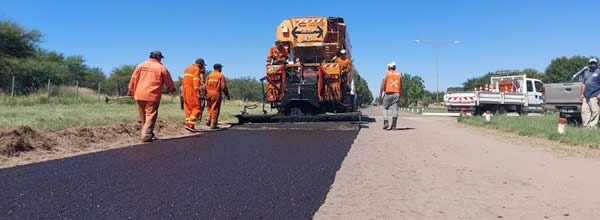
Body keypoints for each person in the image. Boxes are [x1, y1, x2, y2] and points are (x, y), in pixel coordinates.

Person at [128, 50, 176, 142]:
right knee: (150, 115)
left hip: (139, 94)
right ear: (158, 57)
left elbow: (133, 78)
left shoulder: (141, 65)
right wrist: (172, 88)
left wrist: (130, 90)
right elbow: (169, 81)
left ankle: (149, 132)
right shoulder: (161, 68)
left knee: (143, 115)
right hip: (152, 95)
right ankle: (146, 135)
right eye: (160, 58)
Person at [182, 58, 206, 132]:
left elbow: (184, 80)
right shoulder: (196, 69)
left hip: (184, 89)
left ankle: (190, 125)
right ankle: (189, 123)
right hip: (191, 90)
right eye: (203, 65)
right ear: (200, 64)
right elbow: (195, 81)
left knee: (188, 108)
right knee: (197, 108)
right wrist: (197, 92)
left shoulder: (187, 68)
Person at [205, 63, 230, 129]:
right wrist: (227, 94)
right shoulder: (220, 75)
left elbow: (205, 85)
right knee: (215, 109)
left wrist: (205, 94)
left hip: (208, 94)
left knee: (209, 107)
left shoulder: (209, 75)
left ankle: (208, 120)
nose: (221, 69)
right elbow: (223, 87)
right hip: (216, 94)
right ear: (219, 68)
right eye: (221, 68)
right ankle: (213, 125)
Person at [379, 62, 402, 130]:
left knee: (384, 108)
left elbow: (383, 84)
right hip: (396, 93)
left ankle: (386, 121)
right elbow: (401, 84)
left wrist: (380, 92)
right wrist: (400, 92)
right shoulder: (399, 74)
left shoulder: (387, 74)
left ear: (389, 67)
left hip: (388, 93)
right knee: (395, 109)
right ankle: (394, 125)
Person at [580, 58, 600, 128]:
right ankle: (586, 126)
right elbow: (584, 84)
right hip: (586, 96)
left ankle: (592, 126)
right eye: (591, 63)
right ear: (589, 64)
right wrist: (582, 94)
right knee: (584, 112)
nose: (593, 64)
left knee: (595, 111)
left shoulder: (599, 72)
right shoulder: (586, 73)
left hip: (595, 95)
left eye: (594, 63)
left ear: (597, 64)